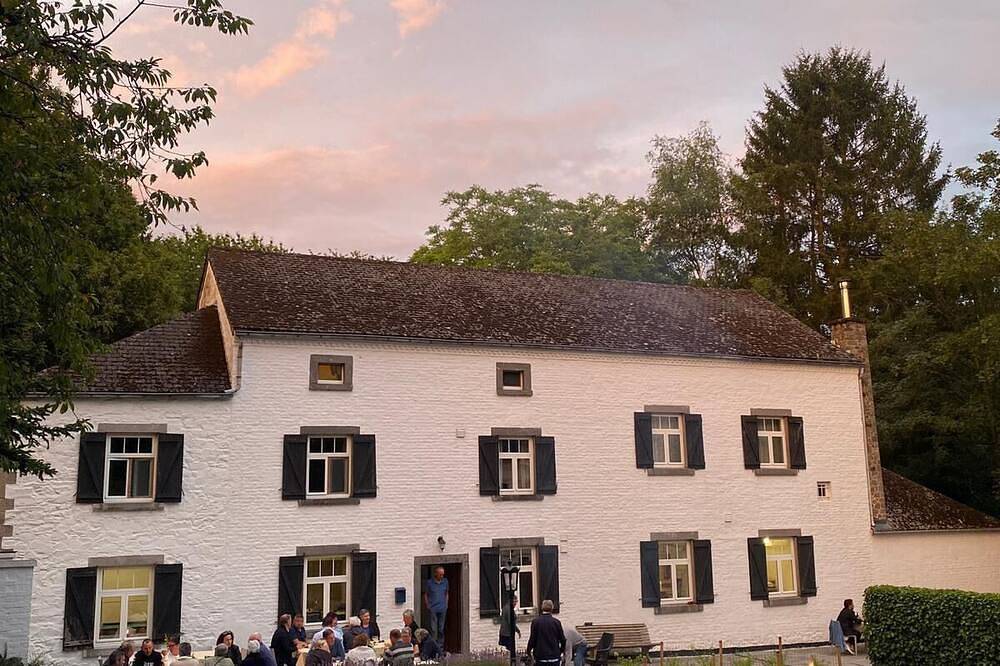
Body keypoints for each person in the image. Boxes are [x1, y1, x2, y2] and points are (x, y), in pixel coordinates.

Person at [526, 600, 566, 666]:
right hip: (554, 657)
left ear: (542, 607)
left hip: (541, 656)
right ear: (552, 608)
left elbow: (532, 639)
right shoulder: (556, 622)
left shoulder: (536, 622)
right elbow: (563, 639)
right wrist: (560, 651)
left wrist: (529, 651)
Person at [423, 567, 449, 646]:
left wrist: (446, 604)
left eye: (443, 575)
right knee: (433, 629)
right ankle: (433, 645)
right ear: (435, 574)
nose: (442, 576)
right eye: (440, 574)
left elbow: (446, 593)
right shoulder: (430, 583)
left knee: (441, 628)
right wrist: (428, 605)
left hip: (442, 608)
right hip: (433, 608)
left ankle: (440, 646)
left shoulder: (445, 582)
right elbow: (426, 594)